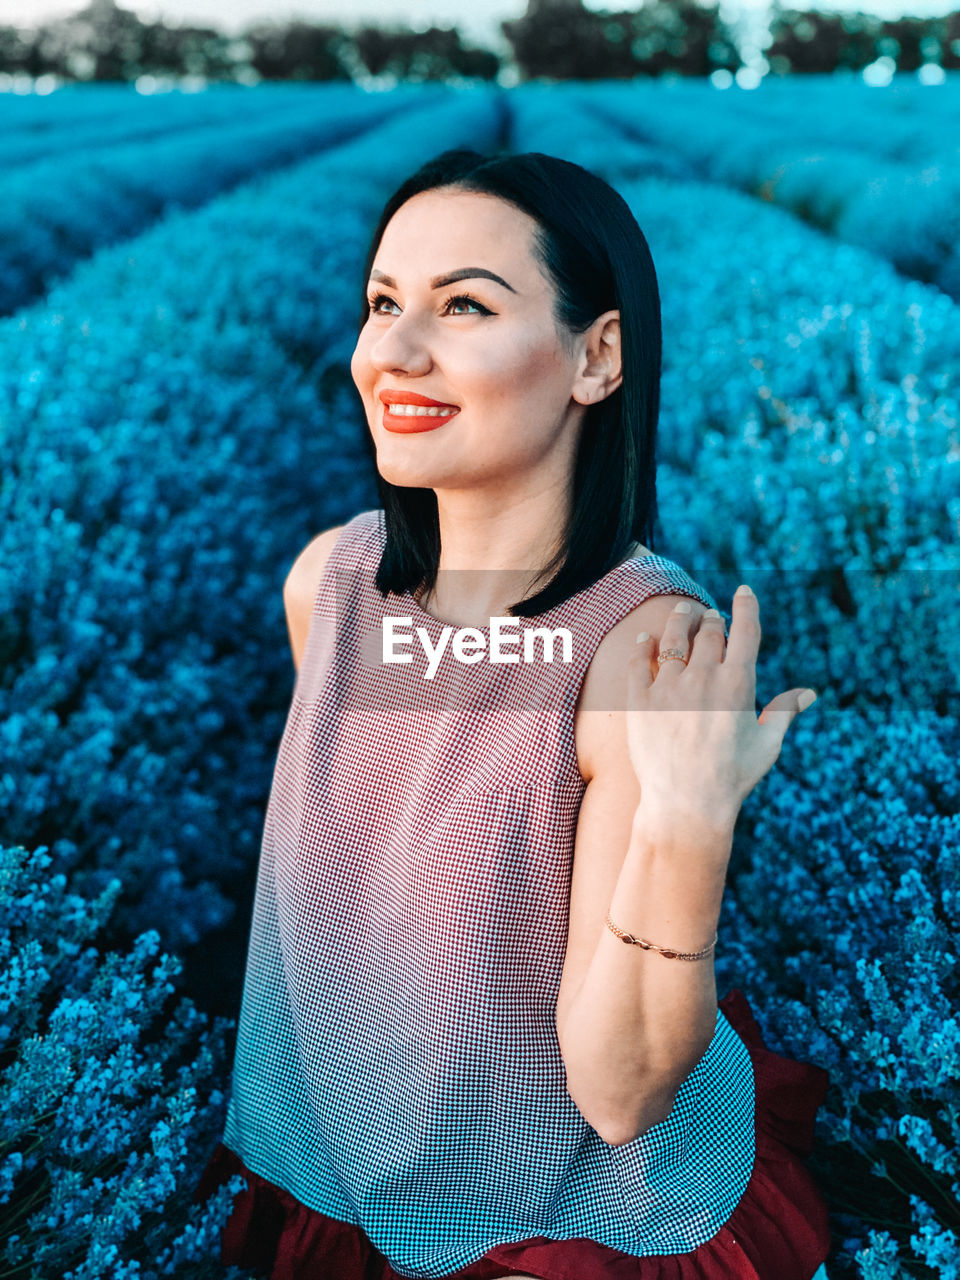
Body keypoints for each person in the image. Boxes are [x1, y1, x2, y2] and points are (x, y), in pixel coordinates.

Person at [193, 149, 833, 1280]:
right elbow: (382, 858)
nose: (392, 350)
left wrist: (688, 823)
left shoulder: (637, 649)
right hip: (343, 1154)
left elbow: (620, 1092)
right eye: (383, 303)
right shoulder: (330, 582)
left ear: (598, 355)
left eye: (464, 307)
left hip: (553, 1213)